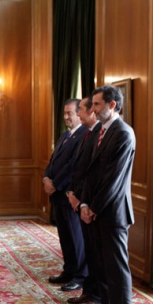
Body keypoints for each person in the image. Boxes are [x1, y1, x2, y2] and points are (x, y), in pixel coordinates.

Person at [79, 85, 136, 304]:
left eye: (98, 105)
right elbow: (92, 173)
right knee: (101, 266)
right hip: (96, 210)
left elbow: (114, 180)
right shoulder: (101, 131)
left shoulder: (123, 133)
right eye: (92, 105)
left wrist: (94, 208)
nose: (93, 109)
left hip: (112, 213)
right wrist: (84, 204)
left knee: (116, 270)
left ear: (112, 105)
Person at [44, 98, 89, 292]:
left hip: (70, 194)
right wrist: (46, 177)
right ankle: (69, 270)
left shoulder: (84, 135)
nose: (66, 117)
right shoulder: (65, 135)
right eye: (64, 113)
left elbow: (74, 166)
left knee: (75, 236)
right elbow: (53, 161)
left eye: (69, 113)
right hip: (57, 195)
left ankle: (80, 275)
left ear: (79, 113)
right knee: (64, 236)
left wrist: (56, 184)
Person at [66, 96, 102, 304]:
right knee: (88, 251)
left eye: (80, 109)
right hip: (79, 199)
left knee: (95, 256)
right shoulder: (87, 134)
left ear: (91, 112)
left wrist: (82, 200)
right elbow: (78, 169)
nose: (78, 113)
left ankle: (96, 296)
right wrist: (72, 194)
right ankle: (88, 292)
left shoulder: (100, 134)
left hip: (89, 203)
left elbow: (93, 173)